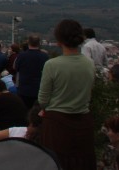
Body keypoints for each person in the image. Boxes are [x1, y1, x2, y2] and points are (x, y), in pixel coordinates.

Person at [38, 18, 97, 170]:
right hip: (84, 122)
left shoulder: (52, 65)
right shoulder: (89, 63)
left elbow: (43, 100)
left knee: (57, 163)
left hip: (56, 125)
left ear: (59, 41)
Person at [14, 35, 49, 108]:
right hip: (39, 90)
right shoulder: (45, 56)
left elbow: (15, 68)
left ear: (28, 43)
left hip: (23, 90)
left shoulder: (22, 55)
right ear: (39, 43)